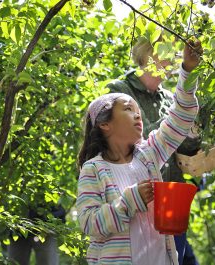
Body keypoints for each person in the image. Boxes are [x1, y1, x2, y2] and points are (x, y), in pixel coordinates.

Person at [76, 39, 202, 264]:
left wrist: (188, 71)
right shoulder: (94, 169)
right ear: (105, 124)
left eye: (137, 110)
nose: (137, 115)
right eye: (128, 109)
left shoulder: (149, 154)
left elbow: (181, 116)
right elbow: (89, 223)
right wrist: (129, 201)